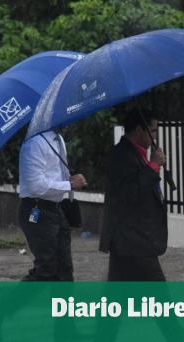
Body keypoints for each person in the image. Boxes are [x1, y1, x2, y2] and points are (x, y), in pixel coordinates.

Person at [99, 109, 168, 281]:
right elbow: (130, 194)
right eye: (152, 131)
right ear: (139, 130)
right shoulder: (121, 155)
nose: (155, 136)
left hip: (134, 240)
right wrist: (152, 167)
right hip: (131, 240)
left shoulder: (138, 153)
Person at [18, 130, 87, 281]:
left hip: (56, 208)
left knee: (64, 266)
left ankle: (62, 304)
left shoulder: (59, 139)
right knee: (46, 267)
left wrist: (71, 178)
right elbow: (36, 186)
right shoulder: (34, 144)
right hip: (36, 210)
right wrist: (69, 184)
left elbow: (55, 175)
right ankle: (8, 305)